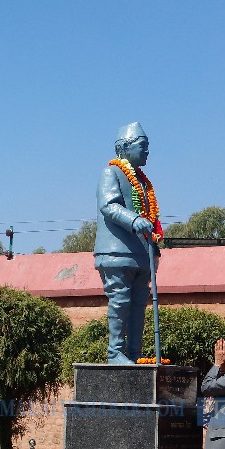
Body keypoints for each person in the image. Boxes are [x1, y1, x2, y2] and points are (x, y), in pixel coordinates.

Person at [93, 122, 161, 363]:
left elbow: (151, 216)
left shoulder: (143, 182)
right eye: (143, 146)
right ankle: (115, 353)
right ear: (125, 147)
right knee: (120, 301)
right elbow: (109, 205)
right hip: (116, 252)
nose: (147, 151)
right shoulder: (111, 172)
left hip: (141, 255)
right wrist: (134, 220)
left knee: (138, 305)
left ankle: (134, 353)